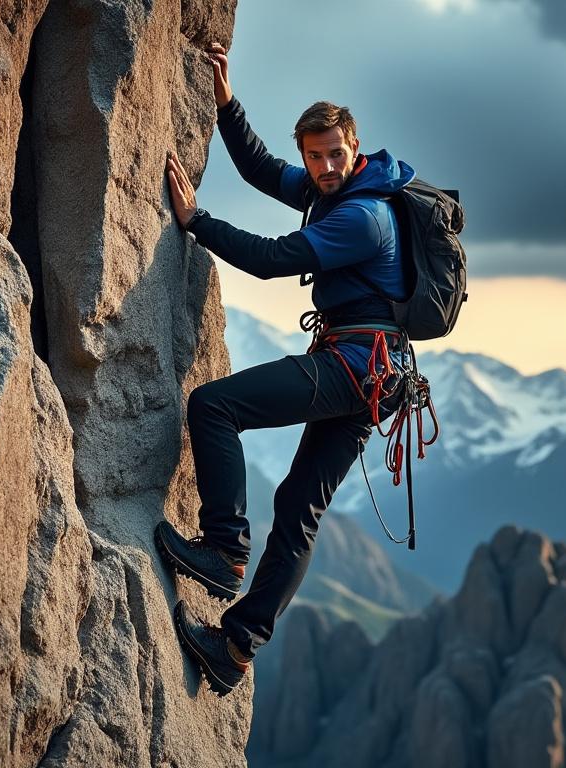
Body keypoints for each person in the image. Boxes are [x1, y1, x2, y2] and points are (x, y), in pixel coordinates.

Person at [157, 42, 414, 696]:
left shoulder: (364, 215)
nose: (325, 166)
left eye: (335, 153)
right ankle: (235, 648)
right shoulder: (336, 188)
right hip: (375, 376)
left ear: (355, 148)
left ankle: (224, 552)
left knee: (215, 407)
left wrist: (195, 222)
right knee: (298, 506)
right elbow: (264, 172)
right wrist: (225, 100)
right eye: (315, 155)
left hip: (358, 367)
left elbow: (274, 259)